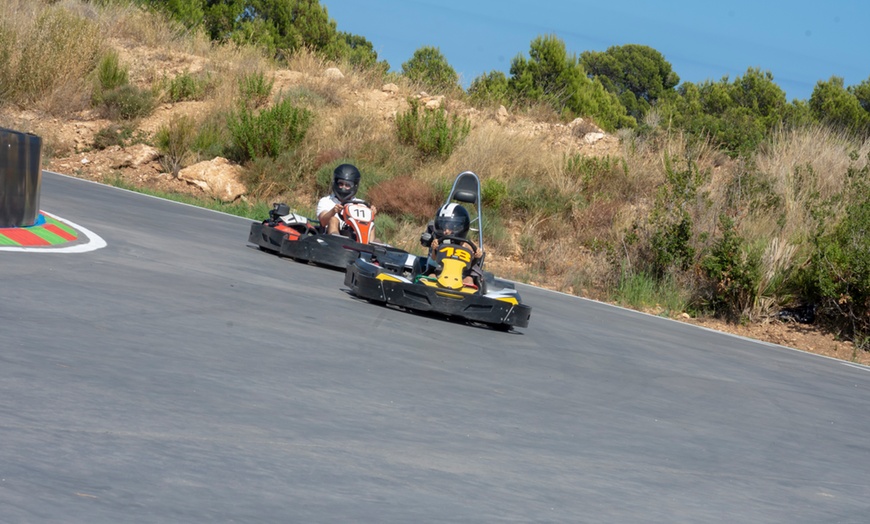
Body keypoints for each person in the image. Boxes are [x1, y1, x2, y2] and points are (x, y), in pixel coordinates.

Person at [420, 203, 483, 288]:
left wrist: (477, 256)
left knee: (469, 280)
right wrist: (434, 248)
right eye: (443, 227)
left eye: (450, 227)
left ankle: (469, 295)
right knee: (431, 276)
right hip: (439, 273)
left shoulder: (466, 245)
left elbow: (472, 264)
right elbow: (433, 260)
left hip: (461, 276)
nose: (445, 231)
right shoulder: (437, 242)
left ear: (459, 227)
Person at [316, 163, 376, 236]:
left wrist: (371, 214)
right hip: (329, 240)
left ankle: (373, 245)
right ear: (335, 183)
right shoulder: (326, 201)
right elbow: (323, 221)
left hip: (354, 238)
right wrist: (333, 211)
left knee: (370, 225)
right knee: (333, 220)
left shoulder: (361, 204)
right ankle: (336, 239)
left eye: (347, 185)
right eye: (340, 184)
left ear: (354, 186)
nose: (343, 187)